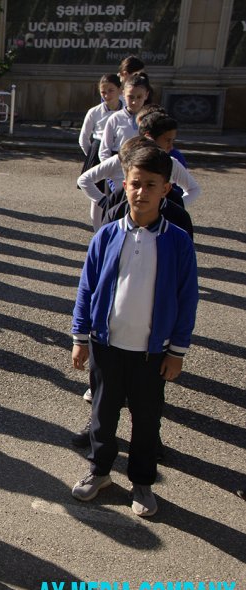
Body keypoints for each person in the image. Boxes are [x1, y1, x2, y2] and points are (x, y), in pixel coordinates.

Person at [70, 144, 198, 518]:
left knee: (146, 420)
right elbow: (86, 288)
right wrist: (80, 337)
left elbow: (187, 298)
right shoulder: (107, 235)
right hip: (106, 346)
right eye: (135, 184)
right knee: (102, 415)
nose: (141, 192)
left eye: (151, 185)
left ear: (166, 189)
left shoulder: (178, 241)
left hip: (152, 353)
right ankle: (100, 471)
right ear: (124, 185)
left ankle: (142, 481)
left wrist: (177, 351)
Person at [98, 72, 152, 160]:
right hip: (119, 163)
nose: (134, 102)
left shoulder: (151, 118)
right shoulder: (115, 119)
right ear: (123, 94)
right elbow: (104, 150)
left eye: (139, 97)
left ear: (146, 95)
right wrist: (110, 167)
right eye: (131, 97)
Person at [79, 74, 122, 177]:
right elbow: (84, 138)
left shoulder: (126, 111)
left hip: (119, 152)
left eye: (111, 91)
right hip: (98, 151)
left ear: (120, 90)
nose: (107, 95)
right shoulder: (94, 112)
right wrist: (92, 154)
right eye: (103, 92)